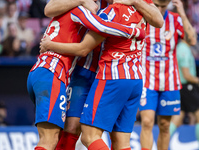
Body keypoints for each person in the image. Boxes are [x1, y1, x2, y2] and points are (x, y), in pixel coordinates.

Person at [43, 0, 164, 149]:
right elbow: (49, 9)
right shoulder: (111, 8)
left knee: (95, 136)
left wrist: (50, 45)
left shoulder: (116, 9)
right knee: (73, 127)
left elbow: (158, 20)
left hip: (109, 75)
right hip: (87, 73)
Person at [139, 0, 197, 150]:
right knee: (147, 122)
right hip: (147, 80)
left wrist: (182, 14)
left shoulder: (175, 19)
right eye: (156, 5)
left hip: (169, 82)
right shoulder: (142, 17)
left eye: (162, 7)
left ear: (168, 5)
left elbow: (192, 41)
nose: (158, 9)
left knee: (165, 125)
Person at [170, 39, 199, 145]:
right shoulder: (183, 50)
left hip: (181, 87)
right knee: (198, 114)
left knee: (178, 115)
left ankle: (162, 142)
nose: (194, 37)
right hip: (187, 87)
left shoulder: (180, 48)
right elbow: (186, 75)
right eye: (192, 34)